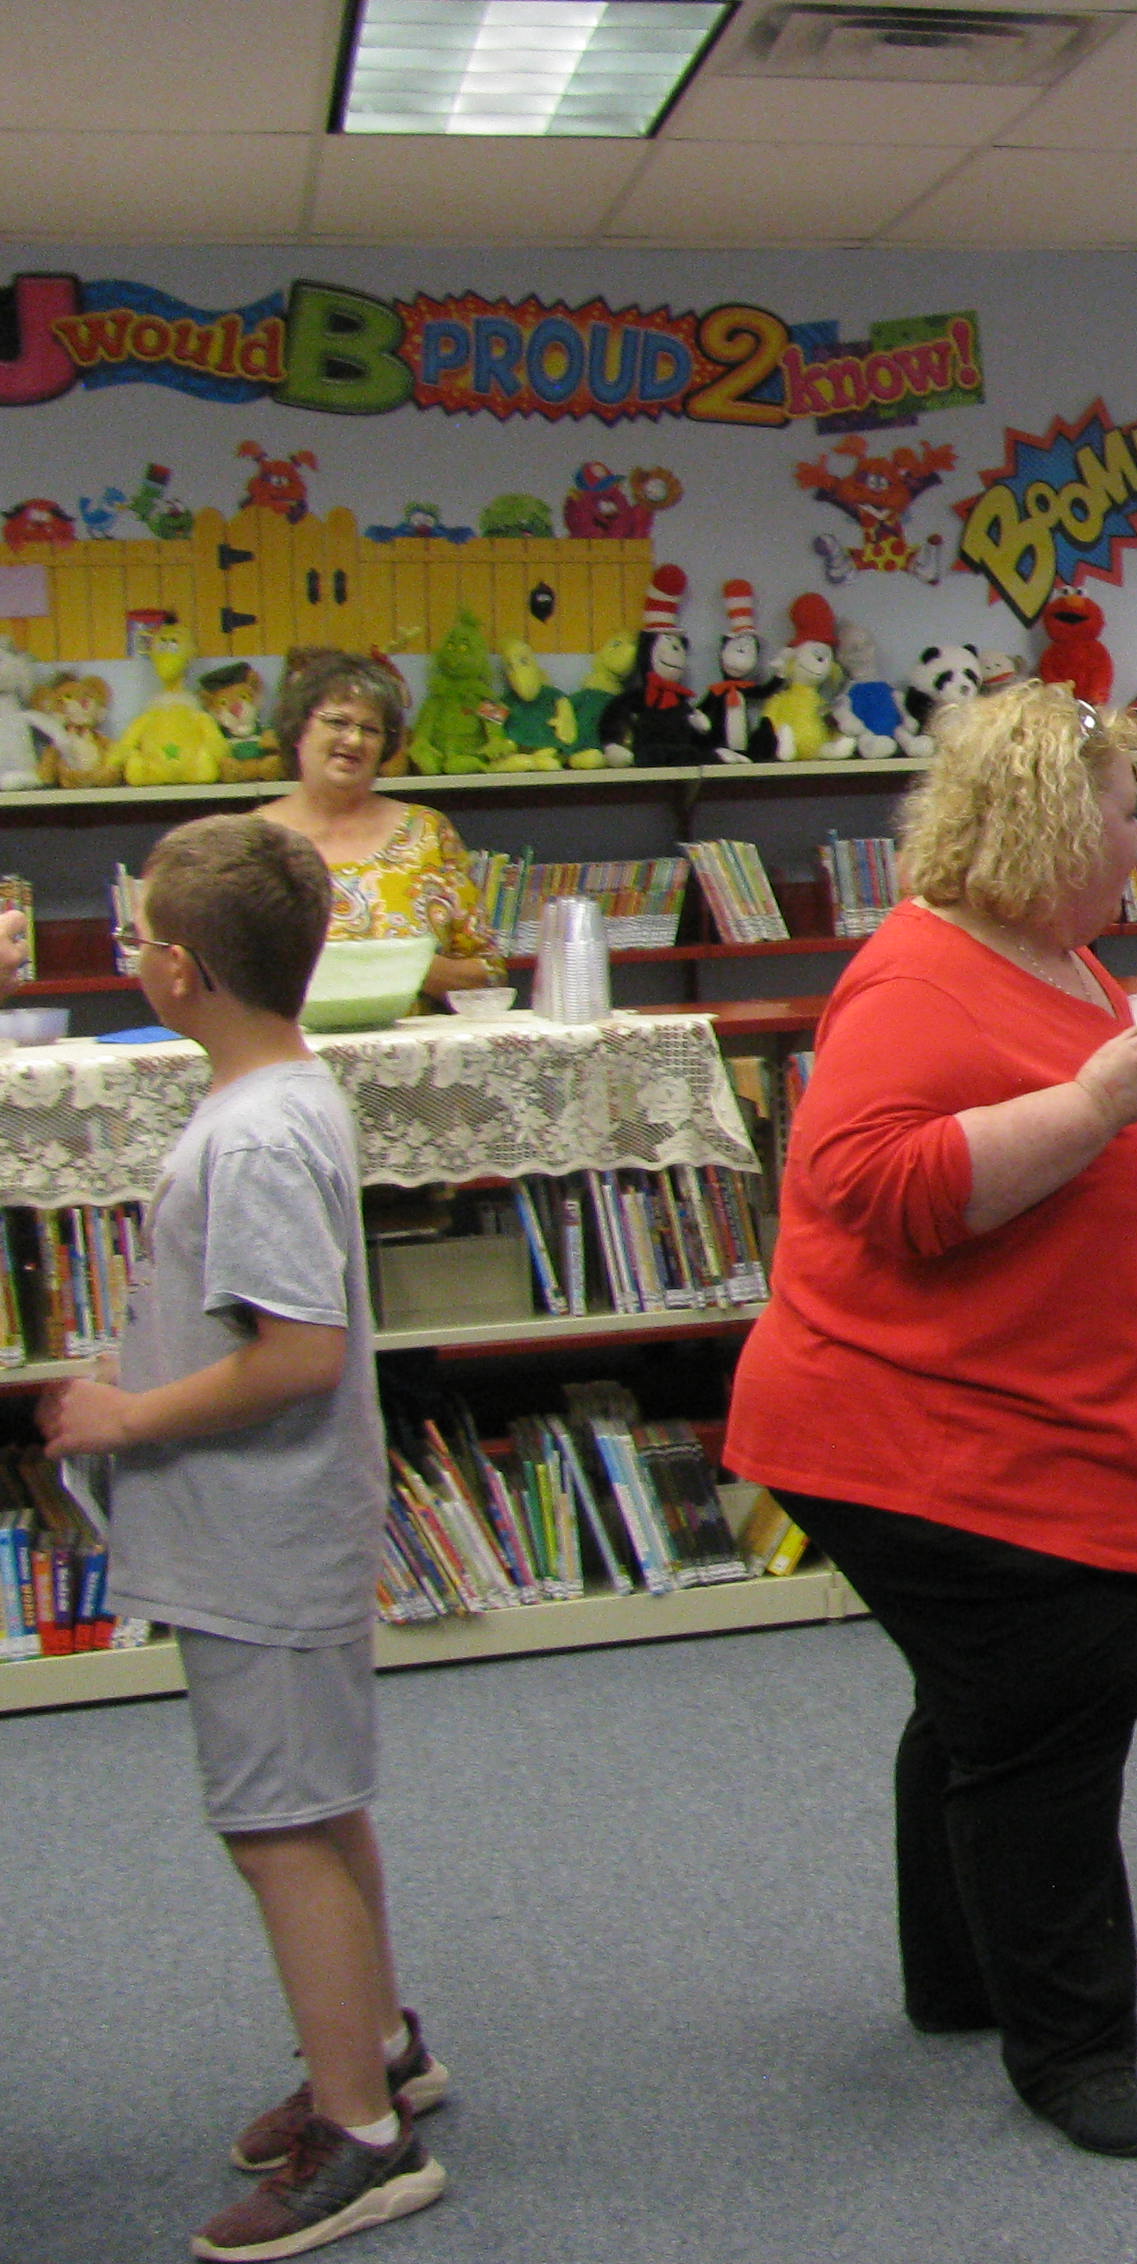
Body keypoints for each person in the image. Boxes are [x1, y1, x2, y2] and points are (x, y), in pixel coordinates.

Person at [723, 683, 1137, 2161]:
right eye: (1125, 808)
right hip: (933, 1442)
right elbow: (881, 1191)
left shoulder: (1057, 955)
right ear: (1049, 822)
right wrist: (1098, 1102)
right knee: (1053, 1710)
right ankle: (1073, 2052)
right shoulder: (915, 980)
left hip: (1031, 1422)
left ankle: (962, 1980)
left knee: (982, 1706)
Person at [41, 815, 451, 2258]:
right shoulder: (274, 1092)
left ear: (176, 969)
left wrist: (121, 1420)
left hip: (260, 1539)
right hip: (273, 1534)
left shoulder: (259, 1133)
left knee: (276, 1825)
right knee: (319, 1803)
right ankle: (381, 2049)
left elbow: (294, 1355)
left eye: (139, 927)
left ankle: (363, 2135)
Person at [256, 653, 500, 1002]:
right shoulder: (251, 843)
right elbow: (223, 979)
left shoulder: (428, 833)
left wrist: (402, 966)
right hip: (291, 1051)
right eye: (337, 722)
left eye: (370, 729)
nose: (354, 740)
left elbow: (488, 973)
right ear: (299, 730)